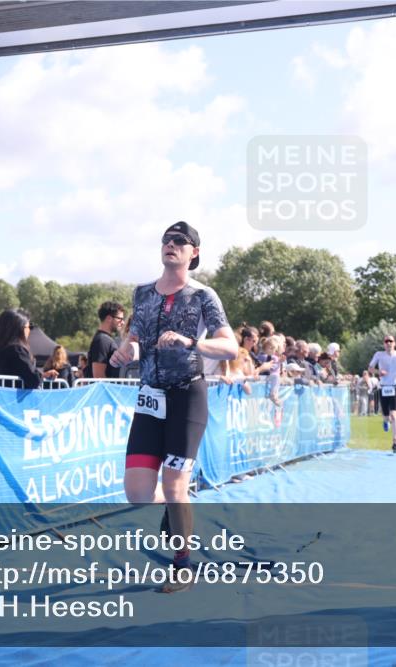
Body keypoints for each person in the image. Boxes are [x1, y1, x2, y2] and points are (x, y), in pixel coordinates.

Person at [109, 221, 237, 593]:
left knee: (175, 483)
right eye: (167, 239)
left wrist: (191, 342)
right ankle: (173, 507)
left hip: (187, 396)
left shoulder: (203, 296)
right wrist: (126, 352)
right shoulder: (142, 293)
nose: (171, 244)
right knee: (137, 494)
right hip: (150, 397)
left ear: (194, 252)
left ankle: (182, 565)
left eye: (180, 241)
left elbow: (230, 347)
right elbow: (136, 339)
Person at [0, 309, 60, 389]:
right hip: (15, 396)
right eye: (29, 327)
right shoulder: (17, 349)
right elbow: (33, 380)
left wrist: (43, 375)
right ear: (20, 329)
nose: (29, 330)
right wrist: (41, 376)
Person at [368, 334, 396, 453]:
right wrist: (378, 372)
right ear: (384, 344)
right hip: (383, 388)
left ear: (394, 343)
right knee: (386, 415)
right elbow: (370, 368)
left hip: (395, 387)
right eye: (386, 341)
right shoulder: (379, 354)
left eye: (391, 341)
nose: (388, 343)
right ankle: (385, 420)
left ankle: (395, 442)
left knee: (394, 414)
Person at [88, 301, 126, 379]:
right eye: (120, 319)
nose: (123, 322)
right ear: (109, 318)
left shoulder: (104, 339)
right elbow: (98, 376)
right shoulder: (102, 340)